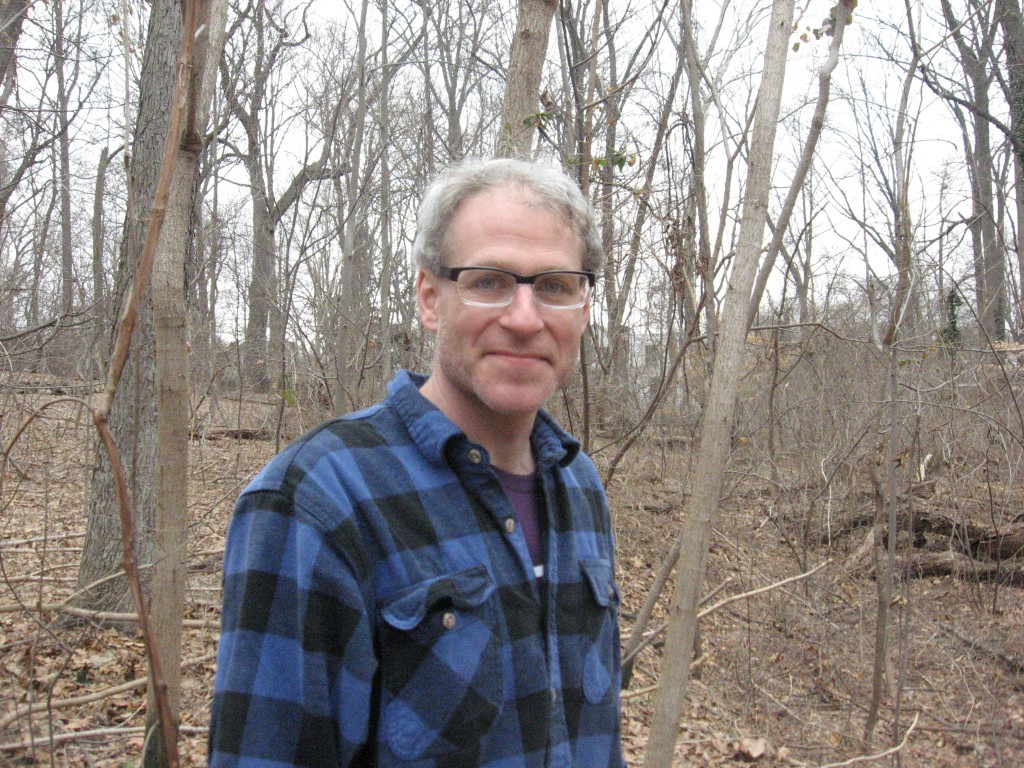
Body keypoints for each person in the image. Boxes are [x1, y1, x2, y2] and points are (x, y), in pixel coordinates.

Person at [209, 158, 624, 767]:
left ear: (583, 309)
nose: (525, 317)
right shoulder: (316, 500)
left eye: (556, 286)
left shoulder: (579, 487)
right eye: (490, 281)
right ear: (431, 298)